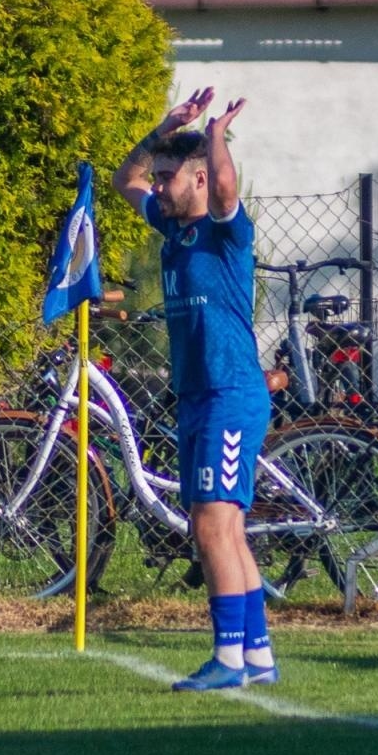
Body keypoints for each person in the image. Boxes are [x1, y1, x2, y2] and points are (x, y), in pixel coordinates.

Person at [113, 88, 277, 691]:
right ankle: (257, 656)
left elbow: (228, 187)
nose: (156, 186)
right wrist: (163, 129)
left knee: (211, 523)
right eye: (157, 177)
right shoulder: (172, 228)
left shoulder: (223, 231)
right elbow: (120, 180)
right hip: (197, 397)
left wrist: (214, 135)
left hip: (231, 392)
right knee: (223, 527)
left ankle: (227, 658)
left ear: (201, 179)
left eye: (168, 178)